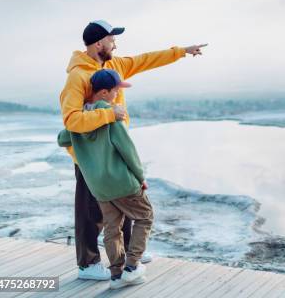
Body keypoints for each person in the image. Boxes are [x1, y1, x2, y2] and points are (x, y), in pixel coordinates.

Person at [59, 20, 206, 280]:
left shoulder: (114, 65)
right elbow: (72, 121)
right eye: (112, 39)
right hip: (90, 158)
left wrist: (182, 51)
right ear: (98, 43)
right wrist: (110, 115)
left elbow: (146, 59)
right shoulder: (77, 76)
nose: (115, 44)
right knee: (90, 212)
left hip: (114, 148)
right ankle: (88, 264)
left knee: (123, 200)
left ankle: (130, 254)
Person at [59, 69, 153, 289]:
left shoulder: (80, 119)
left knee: (112, 228)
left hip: (98, 188)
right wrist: (141, 177)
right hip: (121, 182)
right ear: (103, 93)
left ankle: (116, 276)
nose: (117, 96)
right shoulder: (112, 115)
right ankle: (132, 267)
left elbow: (62, 138)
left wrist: (79, 134)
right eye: (114, 91)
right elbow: (127, 150)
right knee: (145, 216)